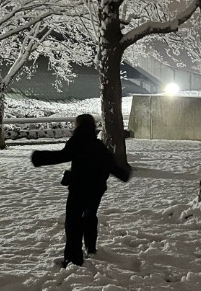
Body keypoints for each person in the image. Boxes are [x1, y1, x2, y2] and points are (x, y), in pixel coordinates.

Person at [31, 114, 131, 268]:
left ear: (78, 125)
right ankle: (91, 247)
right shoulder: (98, 145)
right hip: (96, 189)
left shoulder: (77, 141)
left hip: (79, 188)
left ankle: (73, 258)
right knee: (90, 216)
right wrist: (123, 174)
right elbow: (111, 165)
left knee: (73, 222)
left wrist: (38, 157)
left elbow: (63, 156)